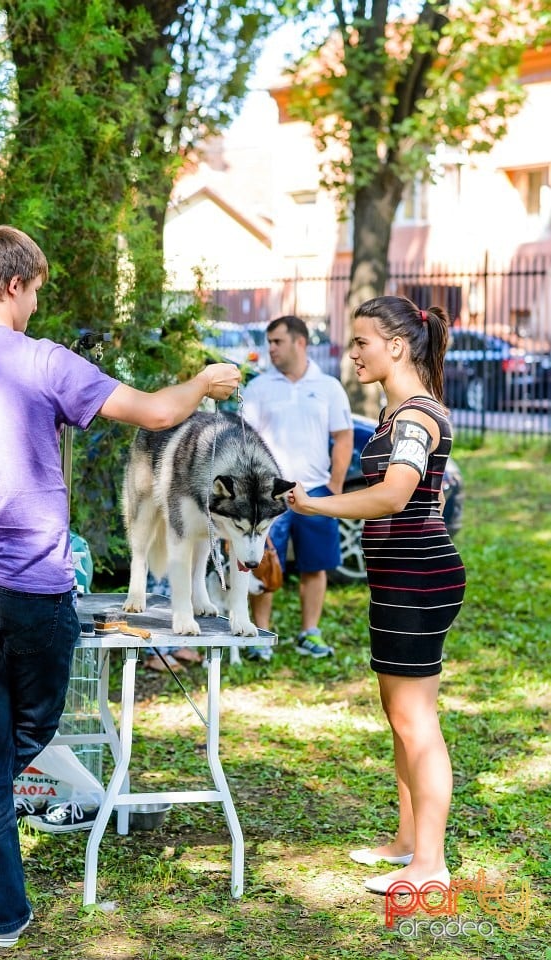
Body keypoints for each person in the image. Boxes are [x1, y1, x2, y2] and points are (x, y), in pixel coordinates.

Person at [0, 225, 240, 946]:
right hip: (30, 588)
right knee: (22, 732)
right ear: (12, 285)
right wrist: (206, 383)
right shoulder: (41, 362)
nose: (34, 308)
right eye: (34, 293)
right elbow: (156, 412)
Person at [287, 295, 466, 894]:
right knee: (400, 718)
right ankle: (408, 841)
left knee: (416, 722)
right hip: (402, 576)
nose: (351, 353)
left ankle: (429, 865)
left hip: (418, 580)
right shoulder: (402, 416)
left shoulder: (414, 417)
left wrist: (316, 502)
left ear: (396, 345)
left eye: (361, 342)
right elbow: (427, 498)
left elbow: (394, 495)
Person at [241, 315, 354, 660]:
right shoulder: (259, 387)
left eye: (277, 341)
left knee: (315, 565)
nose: (270, 349)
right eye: (269, 342)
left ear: (300, 342)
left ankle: (310, 633)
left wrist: (335, 484)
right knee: (263, 562)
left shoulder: (329, 386)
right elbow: (245, 440)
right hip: (268, 492)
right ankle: (260, 636)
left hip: (316, 490)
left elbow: (344, 435)